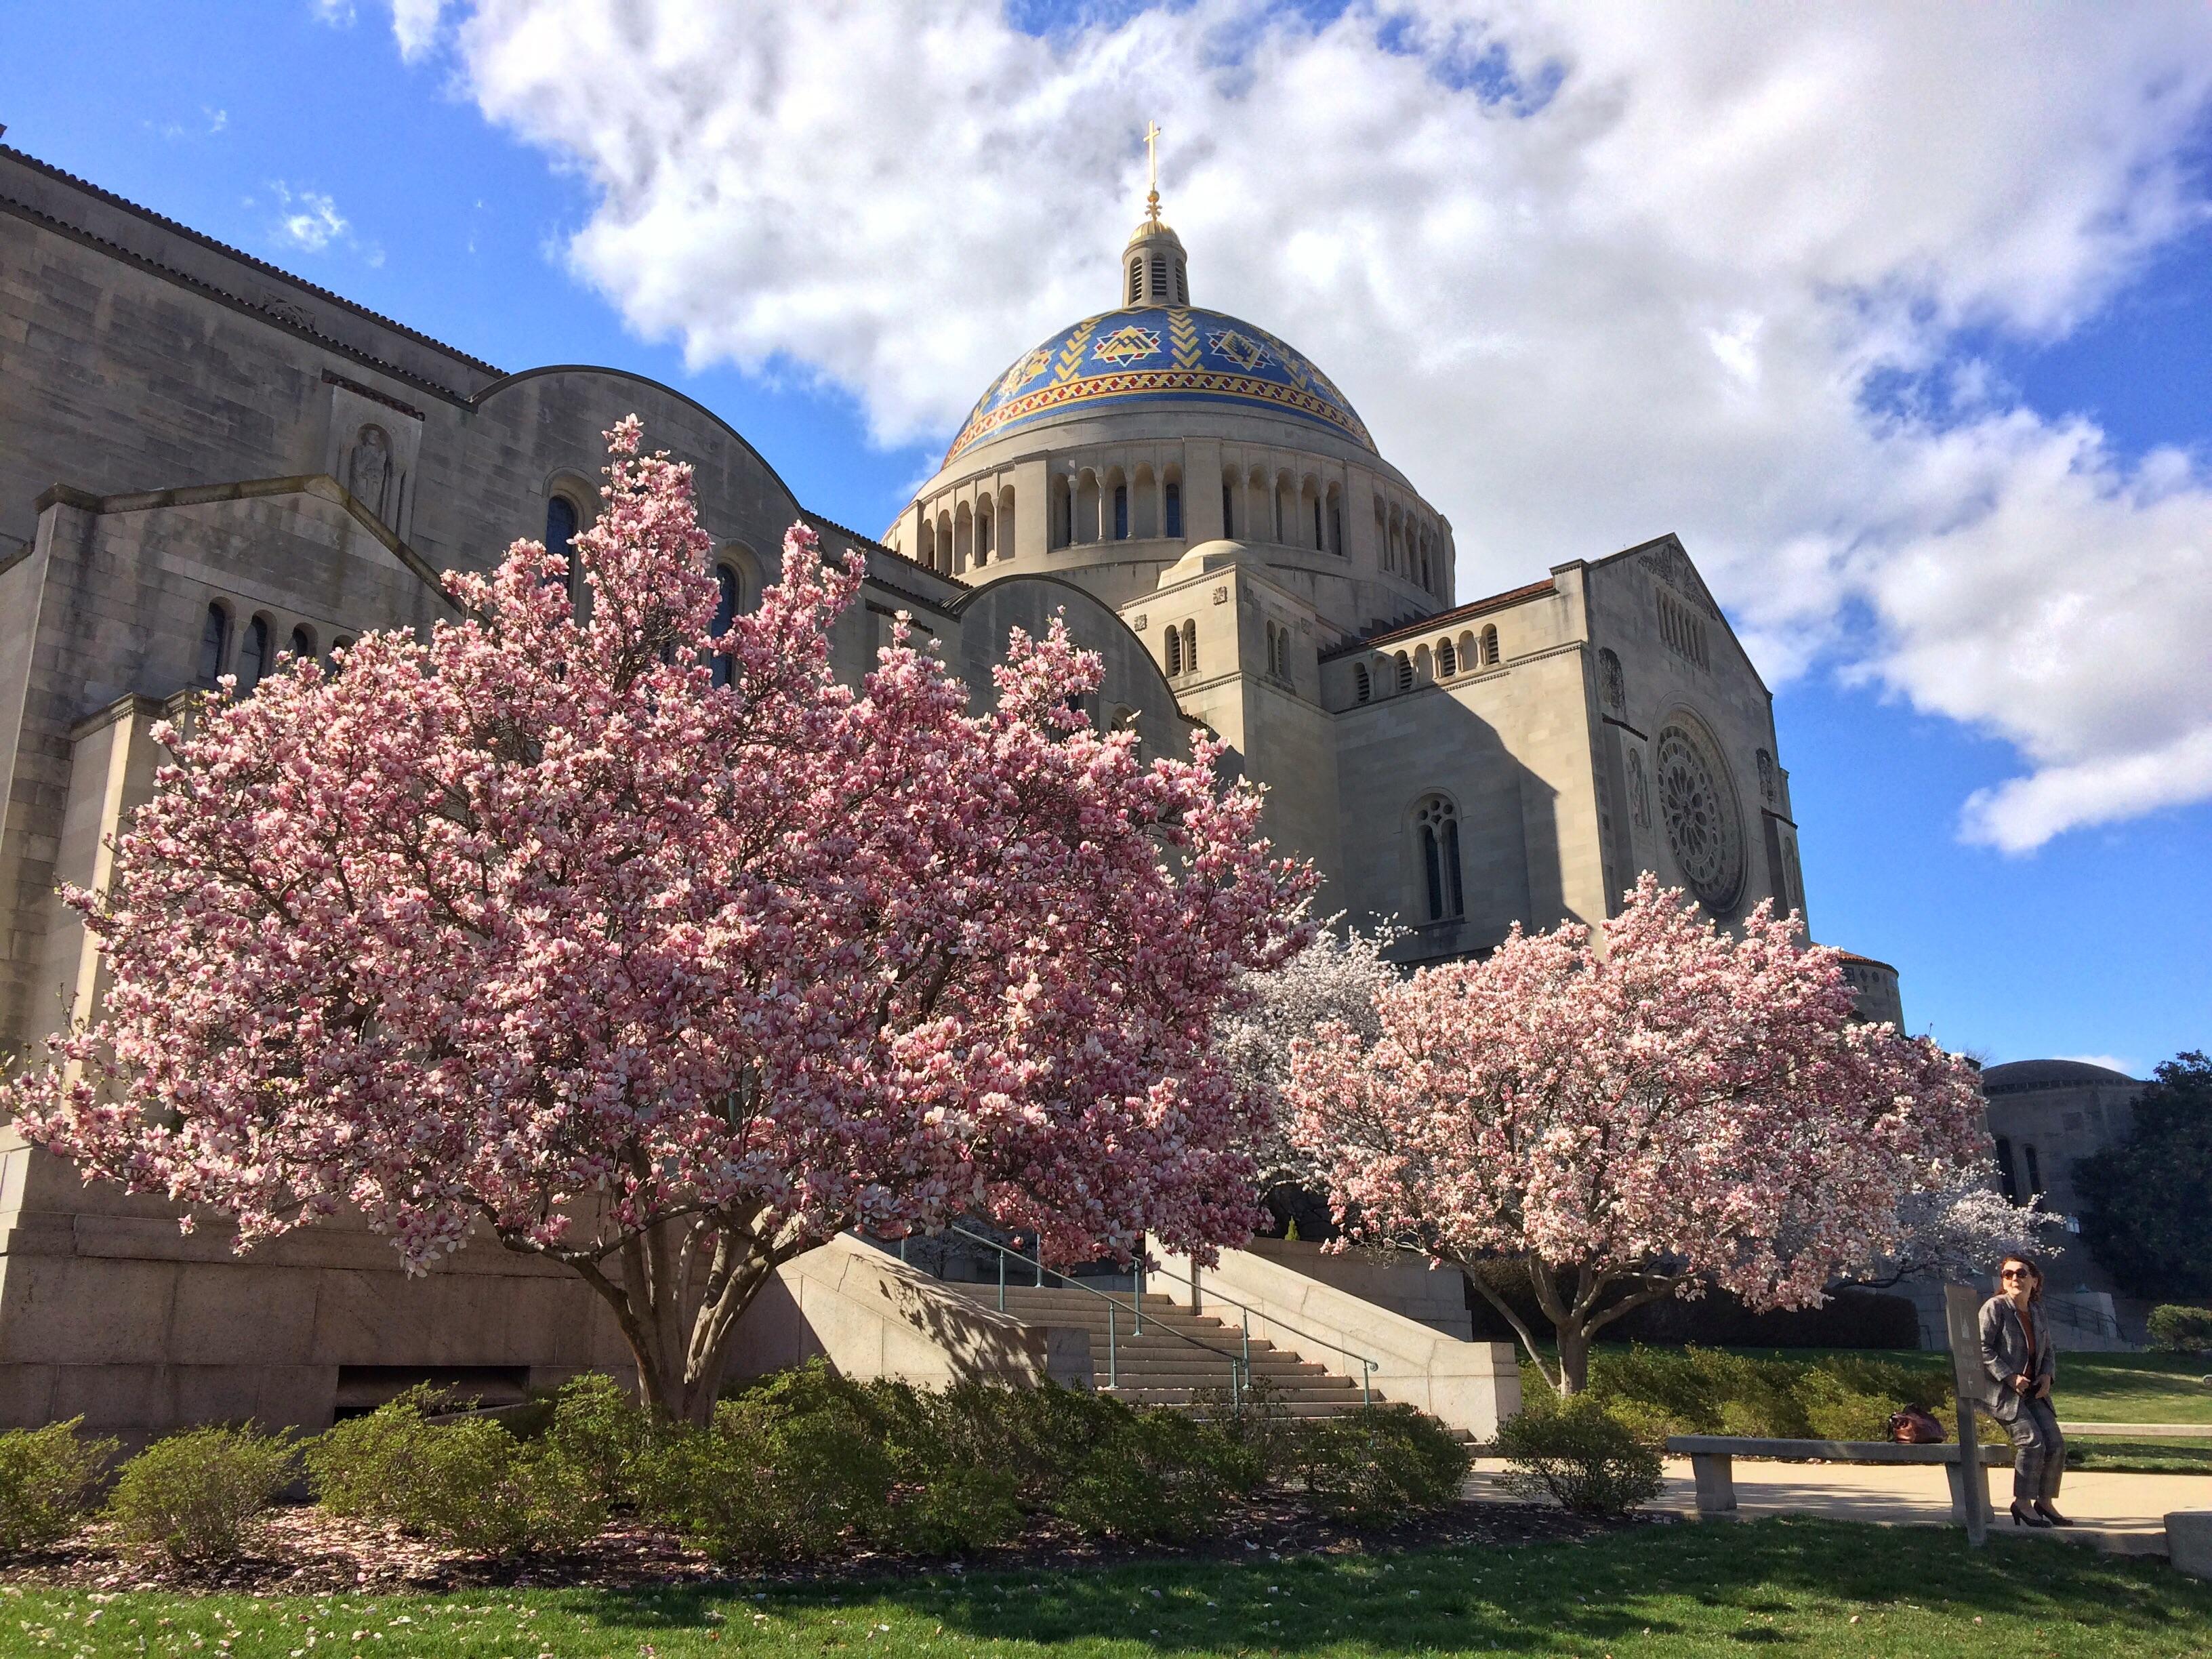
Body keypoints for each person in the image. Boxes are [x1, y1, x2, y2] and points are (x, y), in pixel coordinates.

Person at [1978, 1253, 2069, 1527]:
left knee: (2055, 1444)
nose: (2015, 1279)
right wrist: (2009, 1376)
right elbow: (1981, 1347)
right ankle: (2022, 1503)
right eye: (2008, 1274)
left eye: (2021, 1274)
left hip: (2033, 1391)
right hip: (2003, 1393)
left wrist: (2047, 1376)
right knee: (2031, 1442)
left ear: (2035, 1280)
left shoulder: (2037, 1310)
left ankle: (2045, 1502)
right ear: (2003, 1281)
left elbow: (2048, 1349)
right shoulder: (1996, 1308)